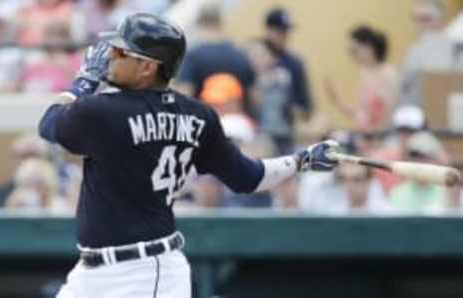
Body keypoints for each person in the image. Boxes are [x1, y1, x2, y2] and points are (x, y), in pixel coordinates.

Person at [38, 13, 340, 298]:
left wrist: (83, 82)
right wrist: (303, 160)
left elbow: (49, 124)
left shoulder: (104, 109)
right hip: (94, 274)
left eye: (121, 53)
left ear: (148, 67)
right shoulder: (198, 114)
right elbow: (248, 177)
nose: (109, 58)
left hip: (144, 272)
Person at [325, 25, 397, 131]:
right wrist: (336, 100)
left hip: (381, 137)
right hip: (365, 136)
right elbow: (360, 113)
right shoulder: (364, 73)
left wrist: (375, 136)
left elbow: (390, 114)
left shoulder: (388, 75)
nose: (353, 56)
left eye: (354, 51)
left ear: (369, 48)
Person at [398, 0, 456, 107]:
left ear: (440, 20)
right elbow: (403, 88)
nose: (419, 25)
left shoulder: (455, 49)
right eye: (415, 19)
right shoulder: (414, 50)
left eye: (425, 19)